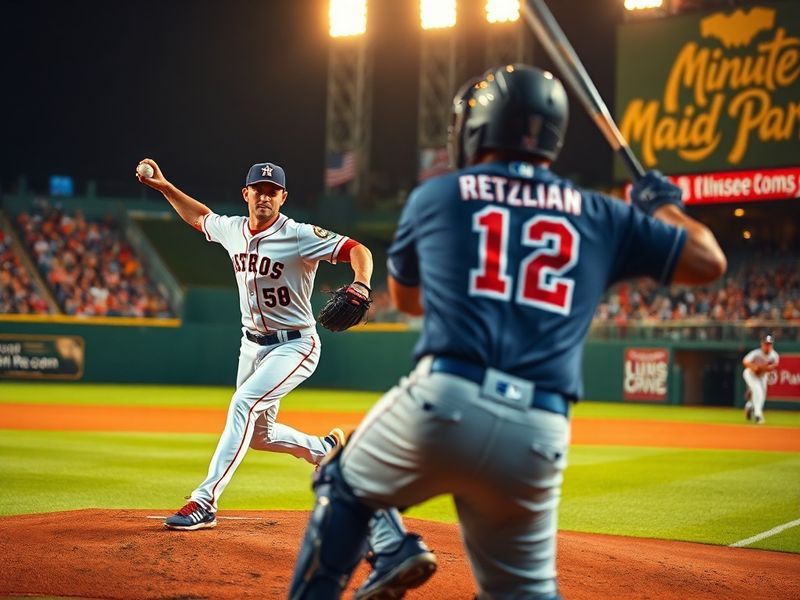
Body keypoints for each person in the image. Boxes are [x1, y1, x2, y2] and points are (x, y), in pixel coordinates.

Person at [288, 64, 727, 600]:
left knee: (342, 479)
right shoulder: (600, 212)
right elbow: (709, 261)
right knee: (522, 591)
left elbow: (409, 300)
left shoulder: (439, 196)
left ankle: (388, 554)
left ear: (477, 129)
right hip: (540, 430)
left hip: (444, 401)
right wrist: (662, 207)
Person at [136, 158, 434, 594]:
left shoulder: (297, 235)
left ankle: (205, 500)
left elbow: (359, 250)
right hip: (251, 344)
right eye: (257, 188)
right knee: (259, 433)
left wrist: (362, 283)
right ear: (246, 194)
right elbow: (200, 217)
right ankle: (328, 451)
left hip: (296, 344)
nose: (264, 195)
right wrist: (164, 186)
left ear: (282, 198)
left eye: (272, 190)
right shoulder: (234, 229)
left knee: (242, 403)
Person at [742, 334, 779, 424]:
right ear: (762, 344)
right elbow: (745, 361)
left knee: (762, 396)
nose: (768, 346)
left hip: (762, 375)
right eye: (766, 344)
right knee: (757, 390)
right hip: (750, 374)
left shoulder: (774, 356)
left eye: (770, 344)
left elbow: (771, 367)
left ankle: (749, 405)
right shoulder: (756, 353)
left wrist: (759, 367)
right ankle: (758, 415)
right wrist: (753, 366)